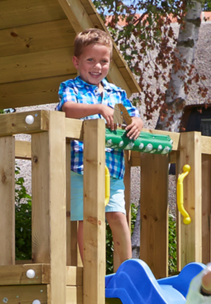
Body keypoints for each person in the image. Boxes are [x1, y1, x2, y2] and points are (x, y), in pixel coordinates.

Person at [58, 27, 146, 272]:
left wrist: (136, 123)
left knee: (118, 216)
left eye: (104, 61)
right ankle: (92, 271)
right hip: (82, 168)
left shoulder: (116, 93)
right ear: (76, 62)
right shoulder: (71, 87)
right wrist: (98, 108)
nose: (97, 66)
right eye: (90, 60)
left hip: (112, 169)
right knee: (88, 217)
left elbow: (133, 116)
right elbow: (67, 109)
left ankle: (125, 272)